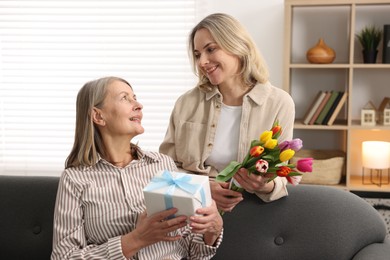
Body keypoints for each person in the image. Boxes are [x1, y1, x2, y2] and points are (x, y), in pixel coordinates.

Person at [51, 76, 223, 260]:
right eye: (125, 98)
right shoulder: (74, 178)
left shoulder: (162, 164)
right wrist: (136, 240)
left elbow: (194, 253)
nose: (138, 105)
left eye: (135, 97)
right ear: (98, 116)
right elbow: (64, 257)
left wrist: (212, 230)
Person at [159, 13, 295, 214]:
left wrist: (264, 185)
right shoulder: (186, 103)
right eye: (197, 54)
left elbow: (282, 174)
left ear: (238, 47)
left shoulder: (279, 103)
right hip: (194, 213)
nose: (202, 61)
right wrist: (203, 188)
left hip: (253, 212)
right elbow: (165, 168)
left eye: (211, 49)